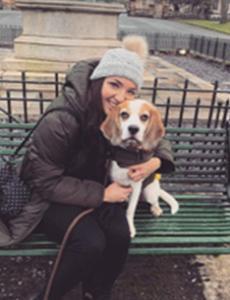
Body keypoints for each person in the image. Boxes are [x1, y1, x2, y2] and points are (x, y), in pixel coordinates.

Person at [18, 35, 175, 300]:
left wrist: (155, 162)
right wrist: (103, 195)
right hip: (49, 197)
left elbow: (156, 134)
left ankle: (96, 293)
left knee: (120, 235)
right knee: (90, 243)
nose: (120, 97)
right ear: (97, 80)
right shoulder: (62, 119)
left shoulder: (119, 111)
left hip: (97, 188)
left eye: (130, 91)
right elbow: (44, 181)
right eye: (114, 84)